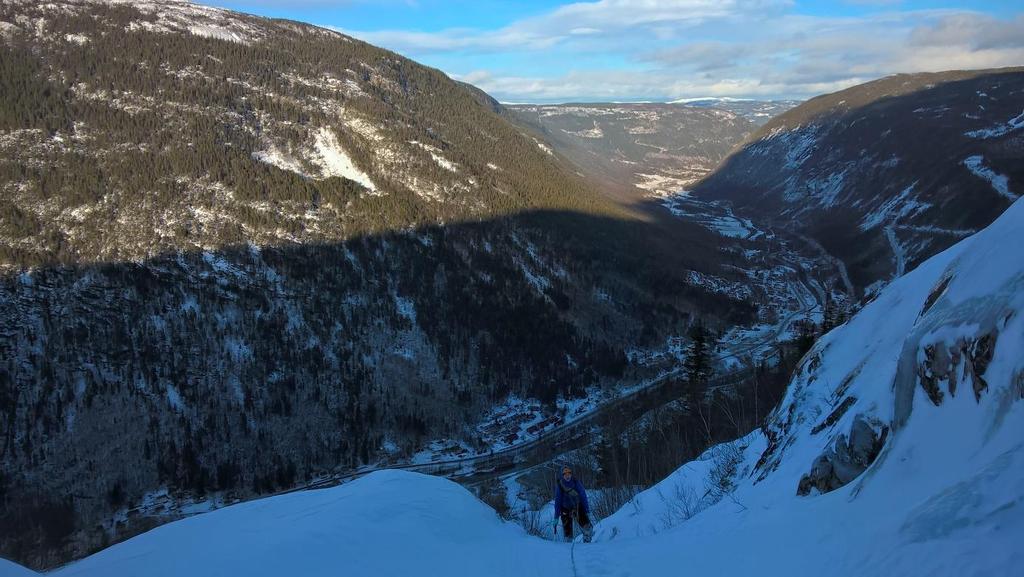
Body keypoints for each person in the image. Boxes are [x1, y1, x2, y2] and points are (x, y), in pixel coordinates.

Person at [554, 466, 593, 542]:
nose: (567, 475)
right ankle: (569, 550)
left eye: (569, 473)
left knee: (588, 528)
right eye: (565, 473)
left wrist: (586, 510)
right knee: (568, 535)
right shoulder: (560, 485)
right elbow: (558, 501)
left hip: (577, 506)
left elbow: (583, 495)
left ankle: (587, 544)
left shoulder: (575, 482)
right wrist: (556, 517)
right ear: (562, 475)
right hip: (565, 509)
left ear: (571, 474)